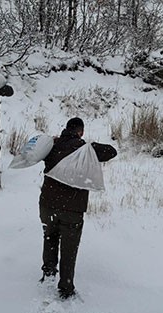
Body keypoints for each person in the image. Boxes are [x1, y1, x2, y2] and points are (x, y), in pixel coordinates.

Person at [39, 117, 117, 299]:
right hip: (72, 209)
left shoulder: (51, 145)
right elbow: (111, 152)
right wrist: (89, 145)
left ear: (65, 129)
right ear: (80, 131)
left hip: (47, 204)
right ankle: (65, 288)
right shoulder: (86, 149)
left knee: (50, 236)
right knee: (69, 247)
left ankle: (49, 272)